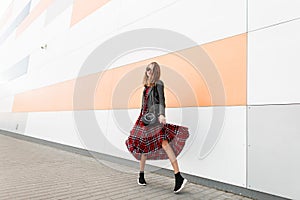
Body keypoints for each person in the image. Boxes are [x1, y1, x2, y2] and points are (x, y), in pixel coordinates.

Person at [125, 61, 189, 193]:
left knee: (165, 143)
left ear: (156, 72)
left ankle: (178, 176)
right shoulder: (146, 87)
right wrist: (140, 119)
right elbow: (144, 106)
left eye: (151, 70)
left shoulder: (158, 83)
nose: (149, 72)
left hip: (155, 118)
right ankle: (141, 175)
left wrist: (161, 114)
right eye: (147, 69)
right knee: (143, 147)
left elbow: (162, 100)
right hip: (145, 120)